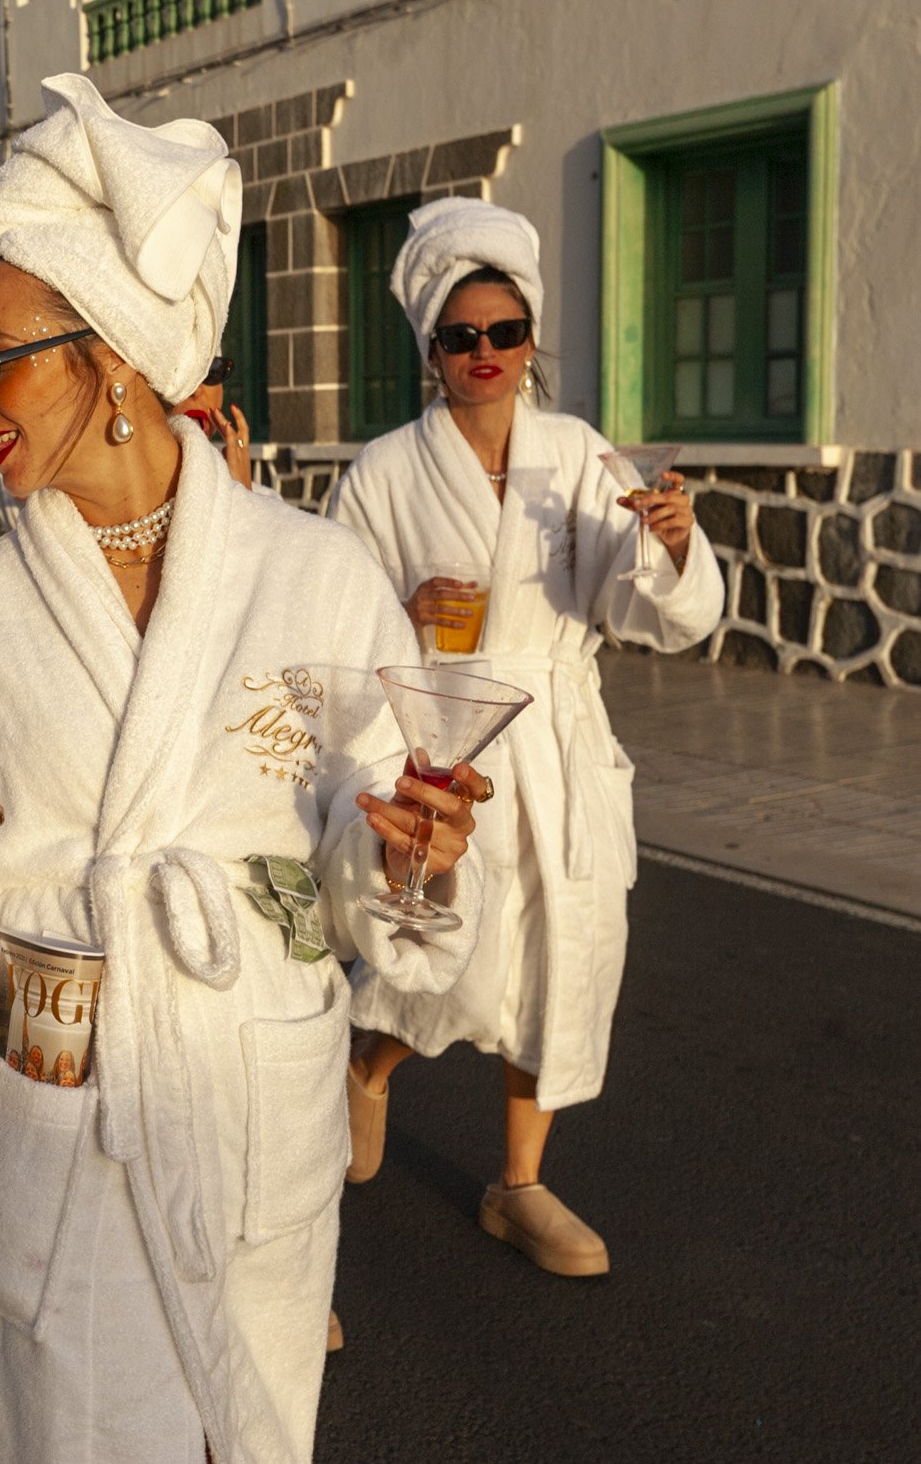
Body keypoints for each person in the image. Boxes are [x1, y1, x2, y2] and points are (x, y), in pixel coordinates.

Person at [0, 75, 487, 1464]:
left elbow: (354, 866)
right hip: (44, 1109)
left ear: (109, 355)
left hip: (250, 1095)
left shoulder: (316, 575)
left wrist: (413, 853)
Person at [325, 197, 721, 1278]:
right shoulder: (383, 472)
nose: (485, 352)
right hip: (449, 741)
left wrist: (669, 546)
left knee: (560, 962)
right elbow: (327, 615)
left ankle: (519, 1184)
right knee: (448, 961)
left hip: (558, 737)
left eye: (505, 332)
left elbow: (647, 611)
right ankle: (367, 1063)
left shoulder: (578, 454)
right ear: (431, 350)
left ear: (530, 338)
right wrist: (403, 609)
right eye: (461, 337)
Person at [171, 353, 256, 488]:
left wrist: (242, 493)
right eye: (177, 371)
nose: (196, 390)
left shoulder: (271, 502)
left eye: (211, 370)